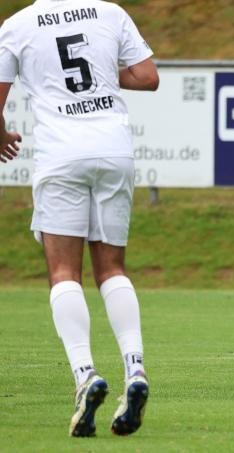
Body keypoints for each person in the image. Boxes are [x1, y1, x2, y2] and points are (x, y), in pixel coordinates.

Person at [0, 0, 159, 437]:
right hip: (114, 149)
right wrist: (106, 79)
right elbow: (148, 77)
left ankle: (86, 375)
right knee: (112, 268)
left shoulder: (17, 25)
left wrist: (2, 136)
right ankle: (136, 370)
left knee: (64, 272)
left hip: (61, 154)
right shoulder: (109, 12)